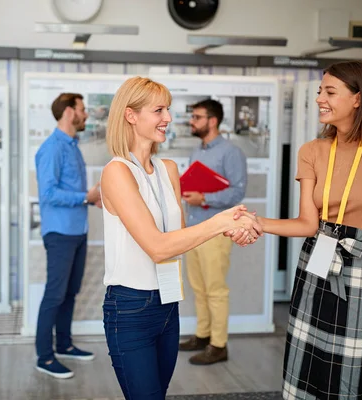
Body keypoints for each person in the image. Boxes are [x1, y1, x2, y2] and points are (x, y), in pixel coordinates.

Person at [245, 61, 362, 399]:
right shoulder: (312, 151)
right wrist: (255, 221)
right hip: (315, 266)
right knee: (304, 375)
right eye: (320, 90)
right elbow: (307, 223)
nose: (320, 98)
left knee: (351, 380)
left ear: (358, 98)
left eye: (329, 91)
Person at [99, 76, 262, 400]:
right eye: (159, 110)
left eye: (168, 109)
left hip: (167, 304)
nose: (169, 118)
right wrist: (218, 222)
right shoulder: (116, 171)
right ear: (131, 115)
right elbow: (158, 248)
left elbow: (180, 238)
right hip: (131, 306)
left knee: (159, 393)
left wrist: (234, 228)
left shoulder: (168, 168)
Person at [34, 92, 102, 379]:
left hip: (78, 230)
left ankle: (64, 345)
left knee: (70, 293)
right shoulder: (51, 148)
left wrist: (90, 199)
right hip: (60, 231)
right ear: (68, 112)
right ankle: (45, 357)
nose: (86, 114)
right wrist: (85, 197)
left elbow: (75, 193)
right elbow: (48, 194)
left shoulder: (73, 145)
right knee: (55, 294)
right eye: (82, 109)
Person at [178, 99, 248, 365]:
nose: (192, 121)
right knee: (198, 286)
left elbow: (237, 192)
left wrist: (204, 198)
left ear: (213, 120)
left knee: (215, 289)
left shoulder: (231, 152)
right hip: (195, 228)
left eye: (197, 117)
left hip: (217, 230)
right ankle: (203, 335)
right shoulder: (198, 151)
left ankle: (219, 345)